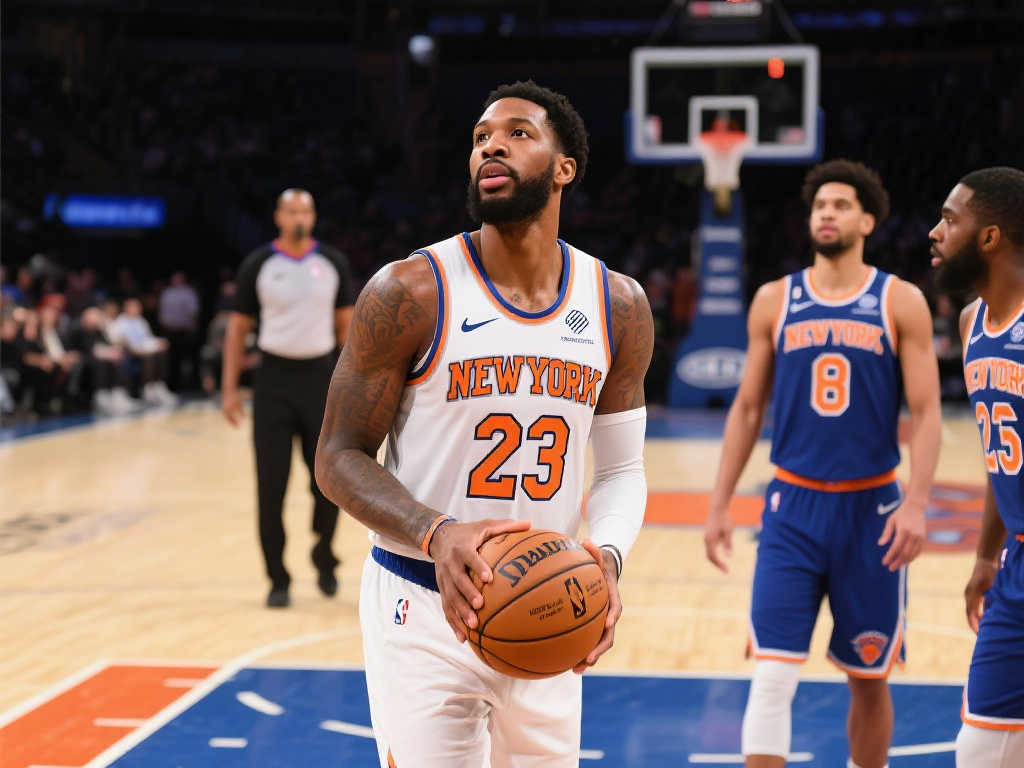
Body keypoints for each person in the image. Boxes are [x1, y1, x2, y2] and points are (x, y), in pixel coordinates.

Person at [314, 80, 653, 768]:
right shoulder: (409, 291)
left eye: (518, 133)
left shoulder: (617, 304)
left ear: (565, 168)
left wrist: (608, 559)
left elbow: (621, 469)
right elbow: (337, 456)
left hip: (550, 600)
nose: (491, 146)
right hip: (422, 601)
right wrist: (435, 532)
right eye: (480, 138)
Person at [704, 159, 941, 768]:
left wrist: (917, 504)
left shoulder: (900, 301)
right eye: (819, 206)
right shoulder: (774, 300)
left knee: (869, 679)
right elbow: (747, 409)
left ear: (867, 221)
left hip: (873, 512)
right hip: (792, 510)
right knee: (772, 675)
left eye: (840, 205)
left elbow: (927, 412)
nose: (827, 214)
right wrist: (719, 503)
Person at [929, 166, 1024, 767]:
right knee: (982, 748)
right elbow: (1000, 458)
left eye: (949, 219)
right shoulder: (971, 323)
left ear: (990, 237)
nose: (934, 232)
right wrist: (987, 556)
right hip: (1014, 568)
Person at [222, 188, 355, 608]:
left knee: (328, 484)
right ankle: (277, 577)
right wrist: (229, 389)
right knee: (270, 487)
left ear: (313, 217)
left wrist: (355, 389)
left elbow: (347, 330)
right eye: (292, 210)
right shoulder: (259, 264)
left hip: (320, 380)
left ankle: (324, 554)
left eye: (306, 211)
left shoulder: (332, 262)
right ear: (278, 216)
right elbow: (237, 329)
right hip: (273, 382)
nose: (299, 217)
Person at [115, 297, 178, 406]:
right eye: (134, 307)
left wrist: (159, 343)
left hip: (144, 349)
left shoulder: (141, 321)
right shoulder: (120, 322)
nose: (137, 309)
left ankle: (159, 386)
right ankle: (147, 389)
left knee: (161, 353)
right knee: (149, 356)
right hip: (130, 352)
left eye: (138, 307)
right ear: (126, 308)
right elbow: (121, 341)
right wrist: (135, 349)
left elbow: (148, 338)